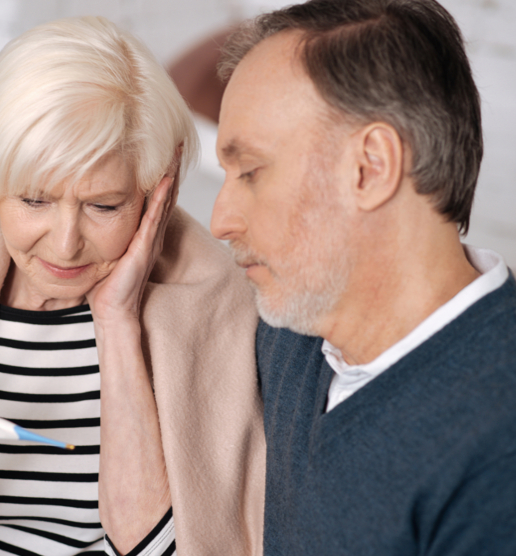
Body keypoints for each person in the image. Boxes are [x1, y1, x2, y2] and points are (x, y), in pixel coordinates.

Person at [0, 16, 266, 556]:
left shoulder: (214, 307)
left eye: (104, 206)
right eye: (34, 201)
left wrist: (116, 321)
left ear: (155, 194)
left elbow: (164, 549)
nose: (65, 244)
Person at [209, 0, 516, 554]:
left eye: (251, 172)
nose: (220, 221)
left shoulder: (497, 449)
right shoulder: (292, 326)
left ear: (370, 167)